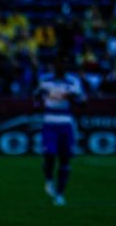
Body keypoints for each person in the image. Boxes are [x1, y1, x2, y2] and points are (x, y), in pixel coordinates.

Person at [34, 55, 86, 206]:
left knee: (65, 159)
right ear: (53, 65)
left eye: (63, 63)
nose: (60, 66)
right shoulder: (45, 79)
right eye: (57, 63)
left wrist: (73, 97)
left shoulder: (73, 81)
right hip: (49, 121)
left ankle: (60, 194)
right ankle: (49, 179)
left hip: (66, 122)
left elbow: (82, 101)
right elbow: (36, 96)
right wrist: (39, 100)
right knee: (49, 154)